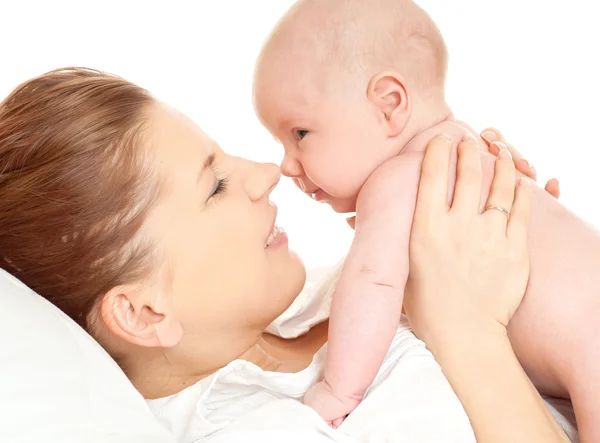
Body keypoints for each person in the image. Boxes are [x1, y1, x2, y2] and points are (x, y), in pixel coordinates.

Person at [0, 68, 565, 442]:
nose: (267, 173)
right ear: (144, 312)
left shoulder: (302, 306)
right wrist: (469, 328)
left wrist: (508, 218)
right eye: (215, 186)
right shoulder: (264, 429)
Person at [252, 0, 600, 435]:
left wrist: (339, 389)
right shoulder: (473, 149)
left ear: (390, 103)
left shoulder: (400, 178)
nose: (286, 164)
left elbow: (372, 283)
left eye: (300, 133)